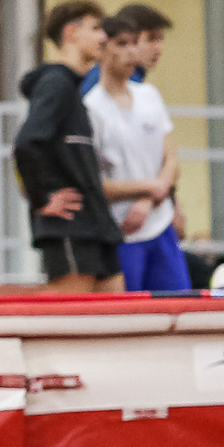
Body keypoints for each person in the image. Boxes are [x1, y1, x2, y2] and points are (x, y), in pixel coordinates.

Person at [15, 0, 122, 293]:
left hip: (97, 223)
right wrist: (42, 199)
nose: (104, 38)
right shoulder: (55, 83)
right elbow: (26, 144)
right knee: (71, 309)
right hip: (70, 225)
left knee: (115, 310)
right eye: (96, 28)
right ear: (71, 33)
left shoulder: (73, 90)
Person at [84, 17, 186, 293]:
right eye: (121, 44)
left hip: (159, 223)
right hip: (123, 231)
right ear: (103, 49)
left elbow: (171, 159)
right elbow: (93, 184)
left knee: (177, 305)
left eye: (134, 44)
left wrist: (150, 197)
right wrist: (149, 188)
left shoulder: (149, 95)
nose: (131, 52)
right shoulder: (91, 109)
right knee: (130, 313)